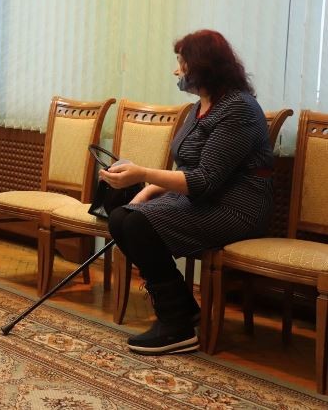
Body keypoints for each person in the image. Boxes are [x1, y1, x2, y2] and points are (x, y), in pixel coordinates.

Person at [100, 29, 273, 356]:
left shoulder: (238, 108)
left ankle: (177, 326)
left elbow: (205, 179)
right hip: (203, 200)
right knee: (121, 217)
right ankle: (182, 308)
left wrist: (143, 174)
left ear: (203, 65)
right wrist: (145, 191)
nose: (176, 71)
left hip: (237, 208)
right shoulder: (200, 107)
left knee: (136, 224)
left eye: (182, 63)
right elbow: (186, 168)